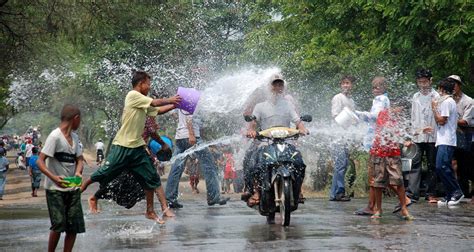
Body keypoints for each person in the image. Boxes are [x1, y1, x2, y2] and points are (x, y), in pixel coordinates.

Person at [81, 70, 181, 223]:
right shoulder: (132, 96)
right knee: (104, 172)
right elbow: (155, 103)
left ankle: (150, 211)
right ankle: (80, 190)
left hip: (137, 148)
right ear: (140, 84)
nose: (149, 87)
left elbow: (157, 111)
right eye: (148, 84)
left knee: (151, 178)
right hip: (123, 145)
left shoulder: (142, 102)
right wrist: (170, 99)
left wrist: (174, 105)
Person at [245, 74, 308, 206]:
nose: (277, 87)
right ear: (269, 87)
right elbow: (253, 121)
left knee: (299, 163)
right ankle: (255, 191)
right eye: (275, 84)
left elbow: (297, 121)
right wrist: (251, 130)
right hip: (265, 141)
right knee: (252, 162)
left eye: (280, 85)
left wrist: (302, 129)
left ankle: (297, 190)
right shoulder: (260, 106)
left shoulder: (288, 105)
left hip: (286, 141)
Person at [36, 104, 84, 252]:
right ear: (75, 119)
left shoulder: (74, 138)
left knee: (74, 225)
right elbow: (40, 161)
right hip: (55, 189)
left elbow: (80, 160)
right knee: (58, 224)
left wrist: (78, 172)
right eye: (79, 120)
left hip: (72, 188)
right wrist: (54, 178)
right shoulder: (55, 137)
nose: (80, 123)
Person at [165, 108, 230, 208]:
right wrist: (191, 133)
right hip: (192, 137)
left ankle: (170, 199)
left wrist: (182, 125)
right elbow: (189, 116)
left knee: (176, 167)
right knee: (209, 164)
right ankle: (213, 197)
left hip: (180, 137)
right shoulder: (192, 94)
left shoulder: (182, 96)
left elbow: (173, 114)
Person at [369, 102, 414, 220]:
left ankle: (404, 208)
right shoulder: (383, 114)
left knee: (398, 181)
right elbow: (387, 132)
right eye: (398, 108)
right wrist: (403, 141)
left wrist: (408, 140)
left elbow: (406, 134)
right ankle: (378, 209)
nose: (399, 111)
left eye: (401, 110)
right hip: (379, 153)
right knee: (378, 183)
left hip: (394, 154)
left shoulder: (402, 119)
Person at [406, 69, 440, 203]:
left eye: (425, 82)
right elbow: (413, 117)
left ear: (430, 81)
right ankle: (412, 193)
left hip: (433, 136)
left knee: (432, 165)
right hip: (417, 136)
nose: (422, 85)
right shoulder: (415, 96)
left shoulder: (437, 96)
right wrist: (411, 135)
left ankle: (431, 193)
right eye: (420, 82)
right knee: (414, 164)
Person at [432, 78, 465, 206]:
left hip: (447, 140)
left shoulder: (447, 102)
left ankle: (457, 192)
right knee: (441, 168)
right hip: (442, 139)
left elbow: (441, 120)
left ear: (442, 89)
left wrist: (434, 109)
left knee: (443, 167)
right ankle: (450, 193)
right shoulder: (448, 102)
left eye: (439, 89)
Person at [329, 75, 356, 201]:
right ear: (341, 85)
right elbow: (335, 116)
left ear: (352, 85)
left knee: (343, 164)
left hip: (346, 137)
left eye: (348, 83)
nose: (346, 85)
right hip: (337, 136)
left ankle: (335, 193)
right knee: (340, 164)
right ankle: (338, 192)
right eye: (344, 83)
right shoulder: (338, 98)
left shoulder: (351, 101)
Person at [448, 75, 474, 199]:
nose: (452, 87)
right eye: (450, 84)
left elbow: (465, 121)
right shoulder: (447, 99)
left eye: (455, 84)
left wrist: (449, 119)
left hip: (465, 133)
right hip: (450, 133)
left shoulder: (468, 101)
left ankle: (465, 191)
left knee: (464, 164)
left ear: (459, 85)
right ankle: (454, 190)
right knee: (451, 162)